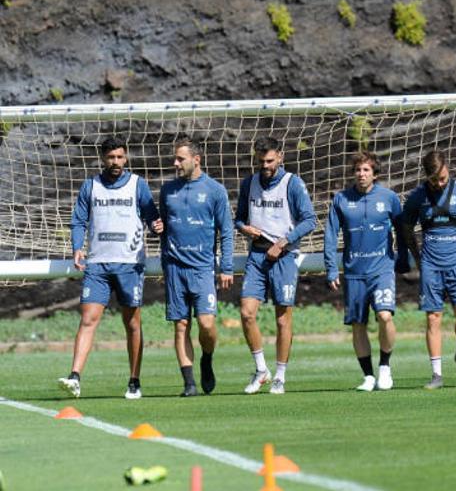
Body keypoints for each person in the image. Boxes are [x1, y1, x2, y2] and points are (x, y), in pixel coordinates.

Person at [58, 137, 163, 399]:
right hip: (98, 264)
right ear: (103, 159)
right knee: (88, 318)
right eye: (110, 157)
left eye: (119, 157)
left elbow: (152, 217)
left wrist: (156, 226)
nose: (115, 162)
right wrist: (77, 246)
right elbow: (79, 220)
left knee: (132, 323)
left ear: (125, 158)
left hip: (129, 265)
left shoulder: (138, 185)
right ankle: (75, 377)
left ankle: (134, 381)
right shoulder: (90, 186)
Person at [234, 137, 316, 394]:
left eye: (270, 161)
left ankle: (280, 374)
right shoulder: (249, 183)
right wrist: (244, 228)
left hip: (283, 257)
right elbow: (238, 219)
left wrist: (283, 242)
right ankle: (261, 370)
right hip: (257, 257)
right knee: (247, 313)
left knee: (282, 320)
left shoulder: (293, 184)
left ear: (280, 157)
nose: (266, 166)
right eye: (261, 162)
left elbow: (309, 220)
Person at [323, 152, 408, 391]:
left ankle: (385, 367)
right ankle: (368, 376)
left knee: (385, 316)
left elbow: (401, 231)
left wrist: (402, 258)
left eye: (366, 170)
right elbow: (330, 236)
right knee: (358, 324)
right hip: (353, 272)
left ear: (375, 174)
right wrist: (331, 269)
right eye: (358, 170)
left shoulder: (389, 198)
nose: (361, 174)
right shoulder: (341, 199)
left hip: (381, 270)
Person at [402, 150, 456, 389]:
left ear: (448, 169)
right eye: (434, 180)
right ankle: (437, 375)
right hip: (431, 264)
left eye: (443, 178)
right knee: (433, 317)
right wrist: (417, 258)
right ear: (426, 177)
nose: (439, 183)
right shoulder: (417, 197)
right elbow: (406, 228)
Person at [159, 137, 234, 397]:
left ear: (196, 160)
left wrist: (226, 267)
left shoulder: (215, 190)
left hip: (203, 269)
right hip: (174, 269)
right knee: (181, 325)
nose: (175, 163)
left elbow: (226, 231)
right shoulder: (167, 190)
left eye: (180, 159)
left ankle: (207, 358)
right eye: (175, 158)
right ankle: (189, 383)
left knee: (206, 324)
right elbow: (162, 228)